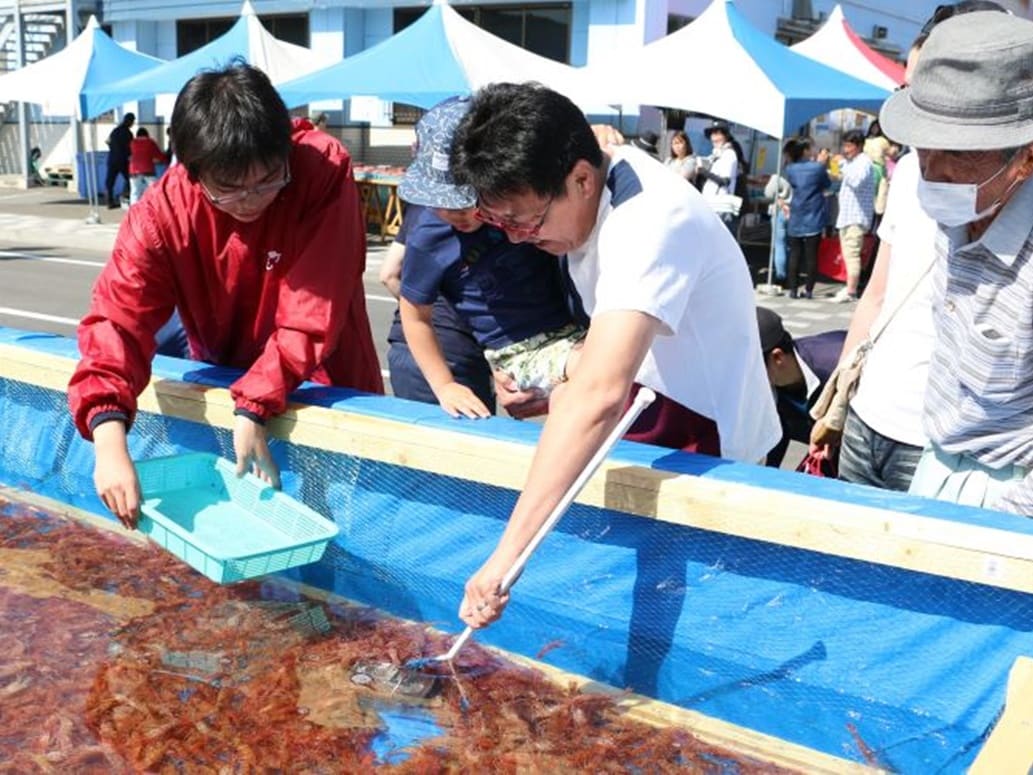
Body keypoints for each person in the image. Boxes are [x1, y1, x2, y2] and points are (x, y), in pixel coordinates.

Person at [449, 82, 780, 628]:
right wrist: (557, 390)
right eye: (499, 224)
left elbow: (599, 396)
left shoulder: (650, 221)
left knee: (699, 611)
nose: (514, 239)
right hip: (647, 405)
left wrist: (504, 561)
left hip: (709, 438)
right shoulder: (590, 169)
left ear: (581, 179)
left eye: (524, 221)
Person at [68, 63, 383, 529]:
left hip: (323, 381)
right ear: (192, 172)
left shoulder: (320, 169)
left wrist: (257, 400)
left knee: (336, 526)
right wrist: (110, 442)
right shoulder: (162, 212)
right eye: (230, 190)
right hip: (228, 382)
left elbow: (313, 307)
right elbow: (117, 321)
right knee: (242, 523)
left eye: (268, 180)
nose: (252, 200)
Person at [812, 2, 1008, 493]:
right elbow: (878, 293)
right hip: (868, 417)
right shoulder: (909, 175)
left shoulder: (1007, 191)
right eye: (909, 89)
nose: (920, 113)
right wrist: (840, 396)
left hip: (945, 446)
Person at [879, 10, 1033, 514]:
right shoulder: (965, 205)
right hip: (936, 467)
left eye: (960, 152)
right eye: (924, 145)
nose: (933, 169)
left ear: (1025, 159)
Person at [397, 97, 586, 418]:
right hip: (517, 352)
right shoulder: (428, 235)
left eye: (468, 200)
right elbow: (414, 315)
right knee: (600, 364)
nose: (459, 213)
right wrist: (444, 385)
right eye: (443, 203)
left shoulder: (516, 206)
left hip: (572, 327)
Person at [380, 210, 496, 413]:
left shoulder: (424, 209)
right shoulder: (490, 213)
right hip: (450, 352)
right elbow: (389, 275)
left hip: (410, 347)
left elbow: (389, 274)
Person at [757, 306, 845, 468]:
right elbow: (775, 439)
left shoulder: (837, 366)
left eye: (751, 370)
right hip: (823, 447)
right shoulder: (771, 386)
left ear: (777, 357)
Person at [783, 137, 832, 299]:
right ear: (805, 151)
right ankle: (809, 290)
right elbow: (827, 184)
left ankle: (793, 290)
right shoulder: (818, 168)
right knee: (812, 255)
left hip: (796, 214)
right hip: (814, 215)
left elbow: (792, 184)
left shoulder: (790, 169)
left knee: (794, 254)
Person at [831, 130, 875, 302]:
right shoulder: (855, 162)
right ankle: (849, 287)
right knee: (849, 254)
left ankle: (851, 291)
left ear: (858, 146)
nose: (845, 149)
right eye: (845, 145)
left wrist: (842, 164)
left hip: (856, 216)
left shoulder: (864, 162)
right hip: (848, 216)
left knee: (852, 254)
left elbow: (856, 181)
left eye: (849, 145)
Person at [697, 120, 741, 234]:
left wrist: (704, 172)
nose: (714, 138)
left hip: (721, 206)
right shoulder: (716, 154)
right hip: (712, 204)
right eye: (712, 134)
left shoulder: (729, 154)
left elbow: (725, 181)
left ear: (725, 135)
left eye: (718, 134)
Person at [763, 165, 791, 286]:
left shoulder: (778, 176)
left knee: (779, 244)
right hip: (795, 212)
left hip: (780, 211)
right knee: (789, 245)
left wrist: (778, 196)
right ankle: (790, 272)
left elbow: (768, 193)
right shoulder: (801, 174)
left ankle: (781, 275)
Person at [128, 127, 168, 205]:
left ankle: (134, 212)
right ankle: (155, 207)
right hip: (147, 169)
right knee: (153, 190)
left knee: (135, 192)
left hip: (133, 170)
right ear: (147, 134)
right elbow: (159, 155)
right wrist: (166, 160)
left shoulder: (132, 142)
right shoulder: (150, 142)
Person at [105, 112, 134, 209]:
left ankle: (110, 202)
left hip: (112, 158)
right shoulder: (128, 133)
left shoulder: (115, 130)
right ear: (130, 121)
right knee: (129, 179)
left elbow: (107, 141)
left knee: (110, 182)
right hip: (123, 160)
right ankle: (125, 196)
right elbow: (131, 147)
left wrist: (113, 148)